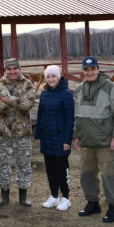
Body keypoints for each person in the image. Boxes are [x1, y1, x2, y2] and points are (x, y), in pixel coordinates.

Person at [73, 56, 114, 223]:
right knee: (86, 175)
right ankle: (92, 203)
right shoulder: (79, 89)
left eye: (92, 69)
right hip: (86, 140)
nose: (90, 72)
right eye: (86, 70)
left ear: (98, 69)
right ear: (83, 71)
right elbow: (77, 115)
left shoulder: (110, 87)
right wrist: (76, 135)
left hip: (105, 141)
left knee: (108, 175)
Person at [0, 58, 36, 207]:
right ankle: (4, 195)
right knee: (2, 164)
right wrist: (17, 101)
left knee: (24, 164)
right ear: (5, 70)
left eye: (15, 68)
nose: (12, 71)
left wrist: (6, 99)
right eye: (9, 69)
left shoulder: (28, 84)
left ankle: (23, 196)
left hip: (22, 133)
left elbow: (27, 105)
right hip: (3, 134)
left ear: (19, 69)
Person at [35, 65, 75, 211]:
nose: (51, 79)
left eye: (54, 76)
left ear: (59, 77)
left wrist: (67, 140)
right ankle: (53, 196)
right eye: (48, 77)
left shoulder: (66, 94)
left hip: (60, 138)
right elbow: (40, 116)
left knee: (61, 169)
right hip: (46, 137)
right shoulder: (44, 93)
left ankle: (65, 198)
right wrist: (38, 134)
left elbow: (70, 119)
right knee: (50, 169)